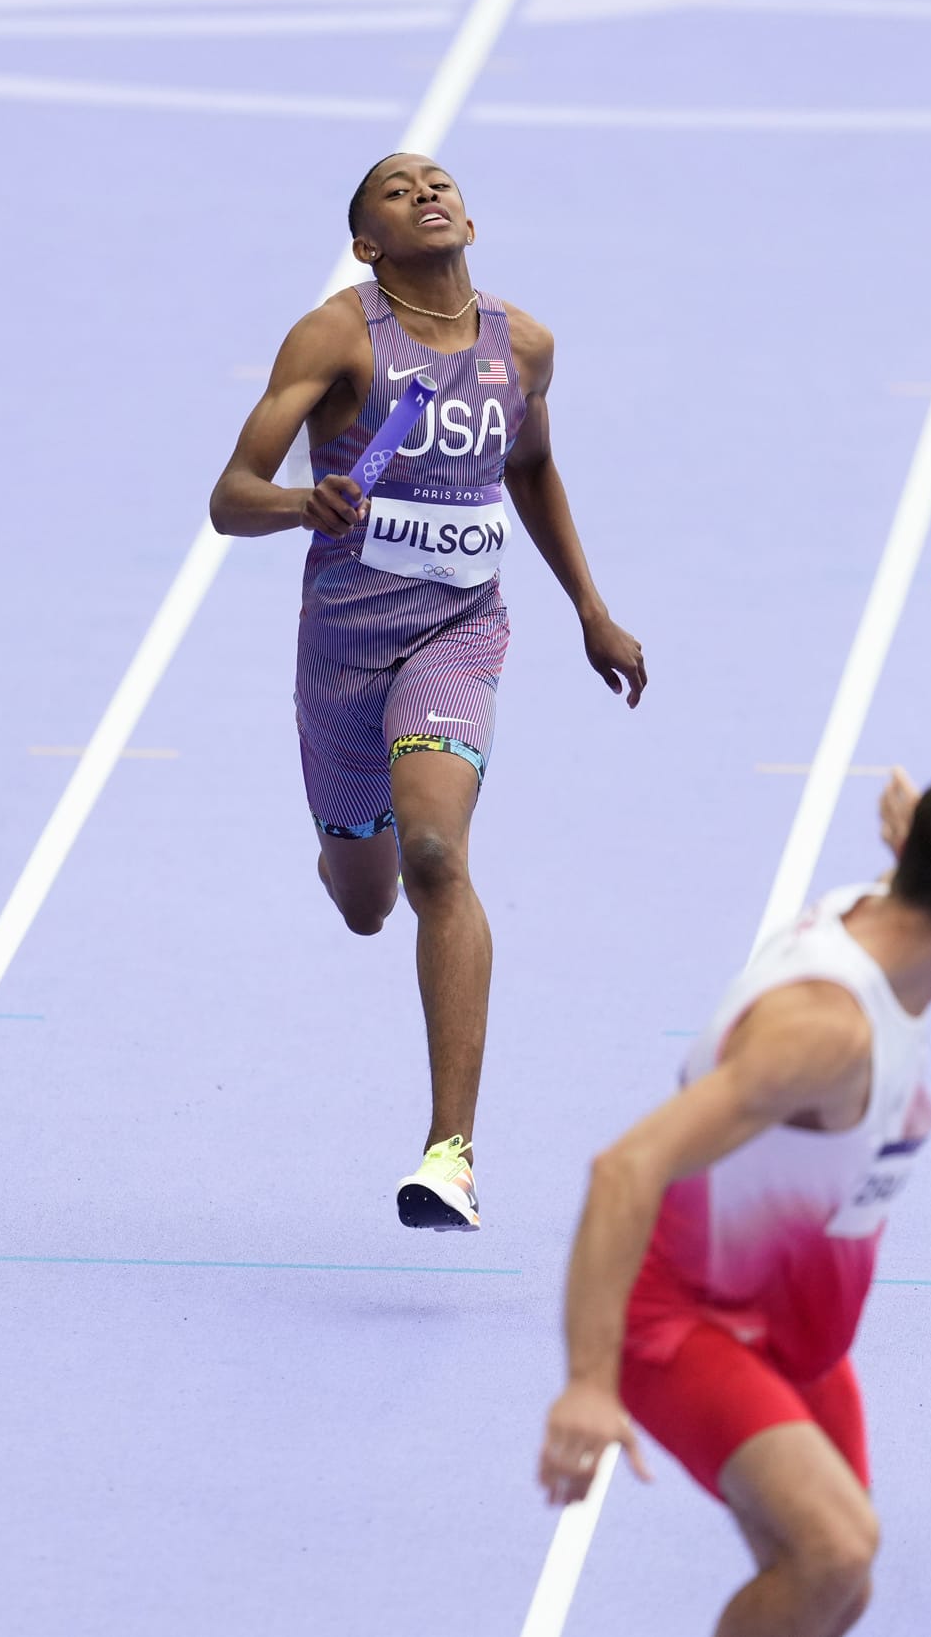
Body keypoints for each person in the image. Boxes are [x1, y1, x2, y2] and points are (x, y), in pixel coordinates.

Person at [208, 152, 648, 1230]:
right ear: (368, 244)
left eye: (438, 181)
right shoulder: (336, 337)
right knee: (367, 900)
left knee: (439, 854)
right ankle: (342, 840)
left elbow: (530, 470)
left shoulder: (523, 345)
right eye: (398, 194)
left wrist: (590, 605)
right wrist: (299, 504)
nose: (426, 194)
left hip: (458, 634)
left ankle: (449, 1152)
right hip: (343, 655)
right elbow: (228, 497)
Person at [539, 768, 931, 1637]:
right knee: (835, 1552)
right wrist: (588, 1386)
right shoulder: (823, 1034)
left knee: (835, 1589)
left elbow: (922, 863)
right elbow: (624, 1169)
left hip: (796, 1330)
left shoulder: (889, 906)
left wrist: (915, 828)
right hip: (687, 1320)